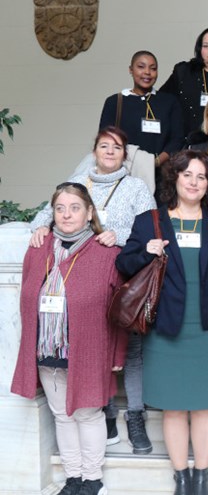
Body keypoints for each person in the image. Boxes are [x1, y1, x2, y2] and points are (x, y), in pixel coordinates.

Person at [116, 150, 208, 495]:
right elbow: (124, 264)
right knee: (173, 406)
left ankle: (201, 476)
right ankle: (181, 477)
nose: (193, 182)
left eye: (201, 177)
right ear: (174, 178)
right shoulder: (150, 221)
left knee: (204, 405)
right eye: (187, 174)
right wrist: (147, 251)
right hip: (166, 327)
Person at [29, 127, 156, 454]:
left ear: (125, 155)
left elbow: (149, 230)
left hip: (124, 272)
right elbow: (49, 212)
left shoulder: (136, 187)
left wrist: (118, 235)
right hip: (82, 279)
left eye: (117, 147)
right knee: (94, 348)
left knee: (129, 351)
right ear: (94, 151)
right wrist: (41, 226)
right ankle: (107, 412)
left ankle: (136, 417)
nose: (110, 151)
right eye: (104, 146)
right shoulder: (78, 181)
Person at [12, 183, 126, 495]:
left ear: (89, 213)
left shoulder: (107, 253)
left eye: (75, 208)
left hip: (89, 350)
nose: (66, 215)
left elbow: (119, 312)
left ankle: (92, 479)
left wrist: (117, 355)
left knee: (87, 414)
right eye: (60, 208)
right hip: (47, 348)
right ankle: (73, 478)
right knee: (61, 415)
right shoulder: (39, 248)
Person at [98, 51, 184, 187]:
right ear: (131, 70)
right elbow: (105, 139)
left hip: (161, 177)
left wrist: (156, 162)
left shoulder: (169, 102)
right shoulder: (115, 102)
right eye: (141, 67)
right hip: (123, 174)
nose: (147, 72)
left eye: (153, 68)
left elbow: (177, 139)